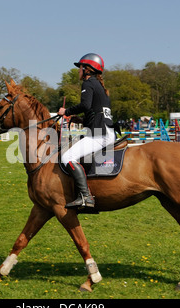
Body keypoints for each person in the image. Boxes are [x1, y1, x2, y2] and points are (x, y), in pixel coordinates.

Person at [57, 53, 115, 209]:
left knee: (67, 157)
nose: (79, 71)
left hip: (100, 134)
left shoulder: (88, 83)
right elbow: (96, 112)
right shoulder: (100, 87)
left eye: (80, 67)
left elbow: (85, 106)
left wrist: (66, 111)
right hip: (106, 131)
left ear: (87, 69)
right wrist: (81, 120)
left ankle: (85, 197)